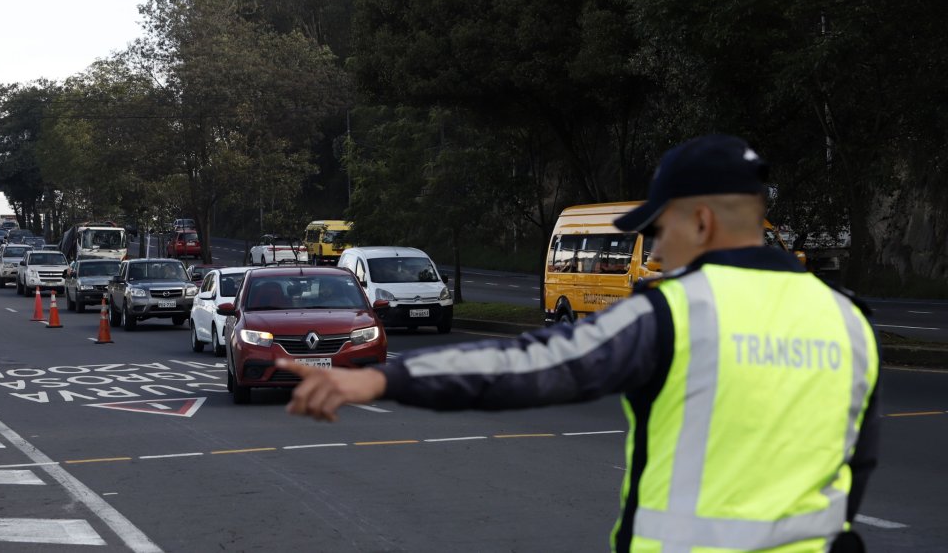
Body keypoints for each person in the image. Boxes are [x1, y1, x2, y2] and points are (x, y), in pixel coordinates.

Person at [281, 135, 880, 553]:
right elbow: (858, 459)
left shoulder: (676, 312)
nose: (658, 251)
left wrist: (384, 377)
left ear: (701, 222)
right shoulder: (849, 320)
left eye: (659, 230)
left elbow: (535, 365)